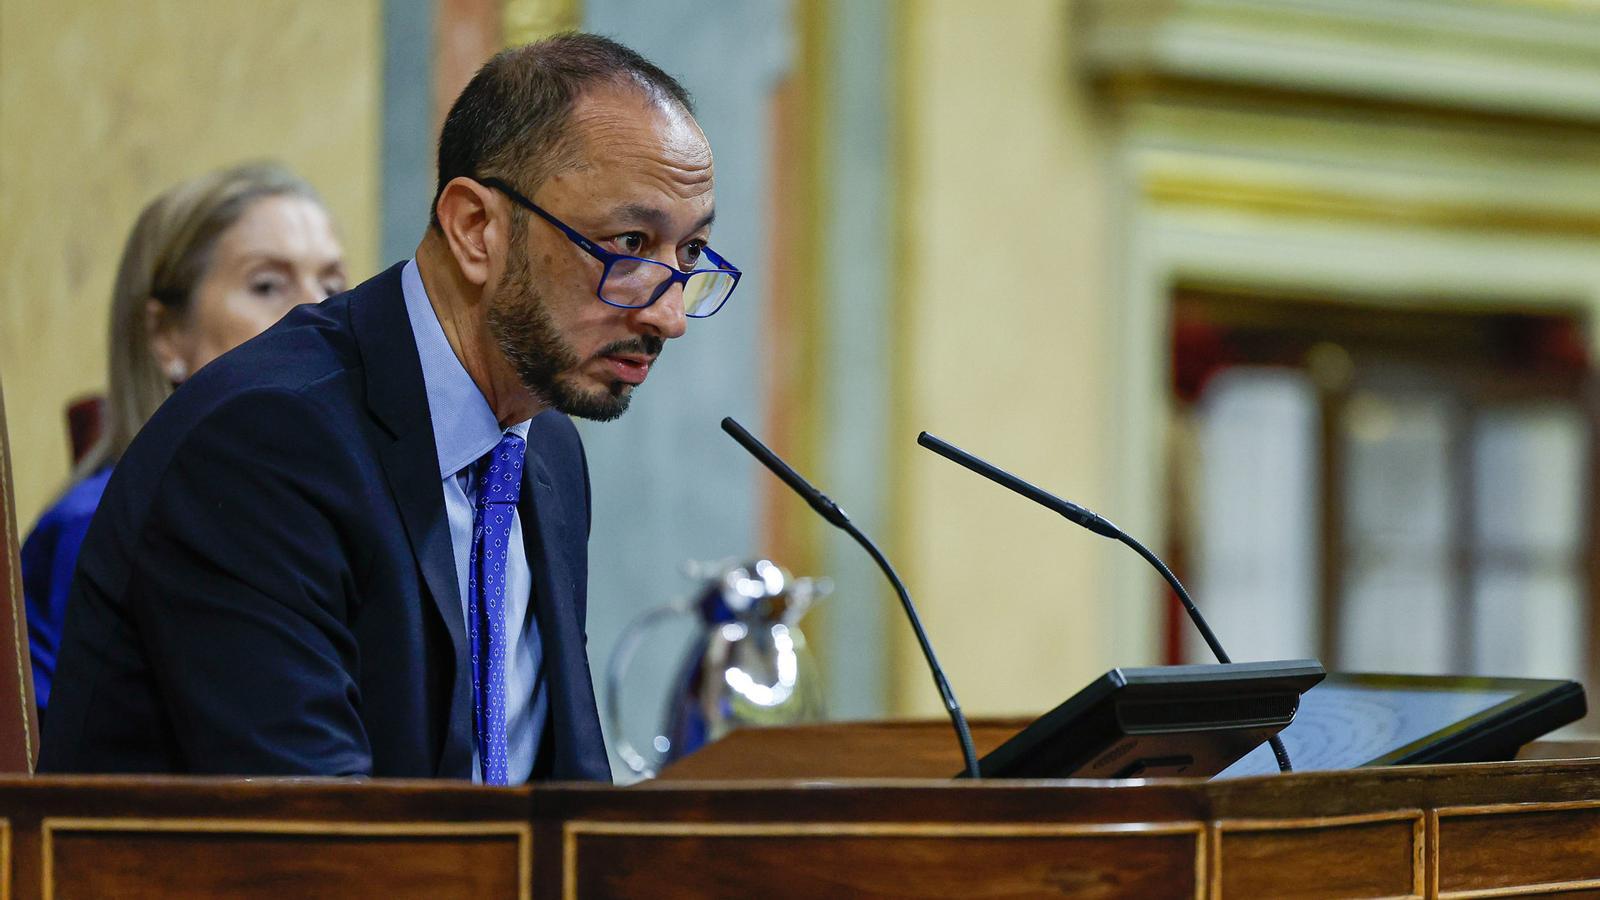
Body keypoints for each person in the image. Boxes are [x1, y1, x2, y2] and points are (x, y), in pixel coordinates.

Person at [39, 33, 739, 783]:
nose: (667, 317)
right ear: (476, 229)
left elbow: (562, 797)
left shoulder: (543, 448)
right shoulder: (263, 443)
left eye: (690, 255)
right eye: (629, 245)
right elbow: (317, 834)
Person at [21, 163, 347, 715]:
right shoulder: (96, 527)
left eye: (334, 285)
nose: (316, 311)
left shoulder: (340, 515)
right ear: (166, 335)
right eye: (268, 284)